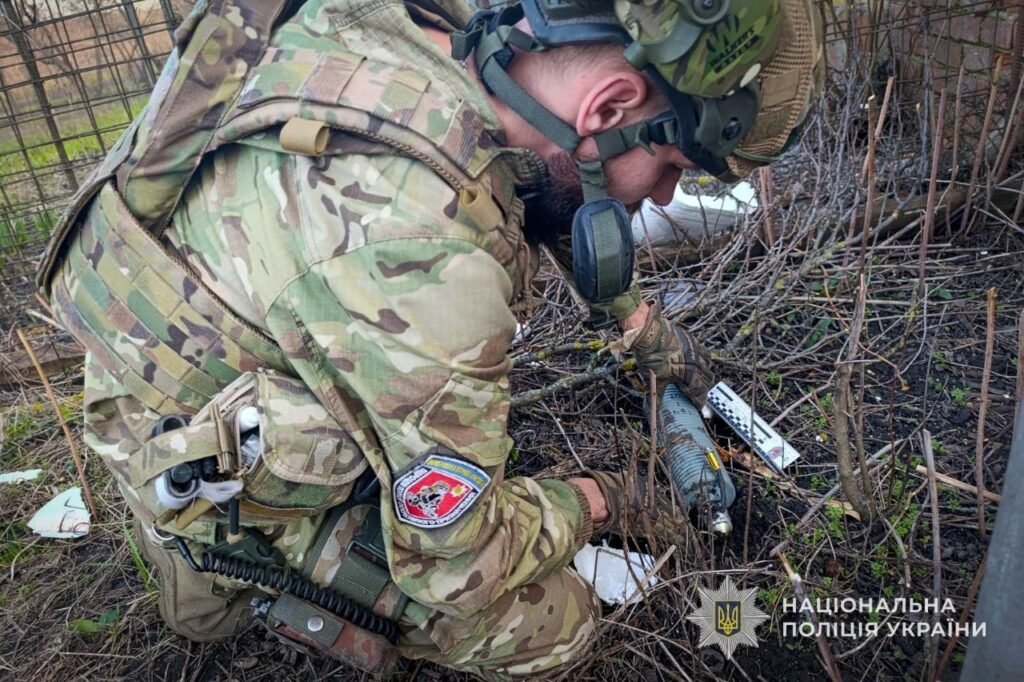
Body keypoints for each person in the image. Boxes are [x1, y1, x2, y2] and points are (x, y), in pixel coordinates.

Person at [37, 0, 823, 677]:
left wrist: (641, 326)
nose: (665, 194)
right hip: (199, 442)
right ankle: (215, 558)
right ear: (610, 106)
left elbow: (544, 182)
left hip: (188, 326)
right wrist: (605, 499)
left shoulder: (461, 35)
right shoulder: (422, 256)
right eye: (672, 165)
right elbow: (456, 566)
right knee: (553, 625)